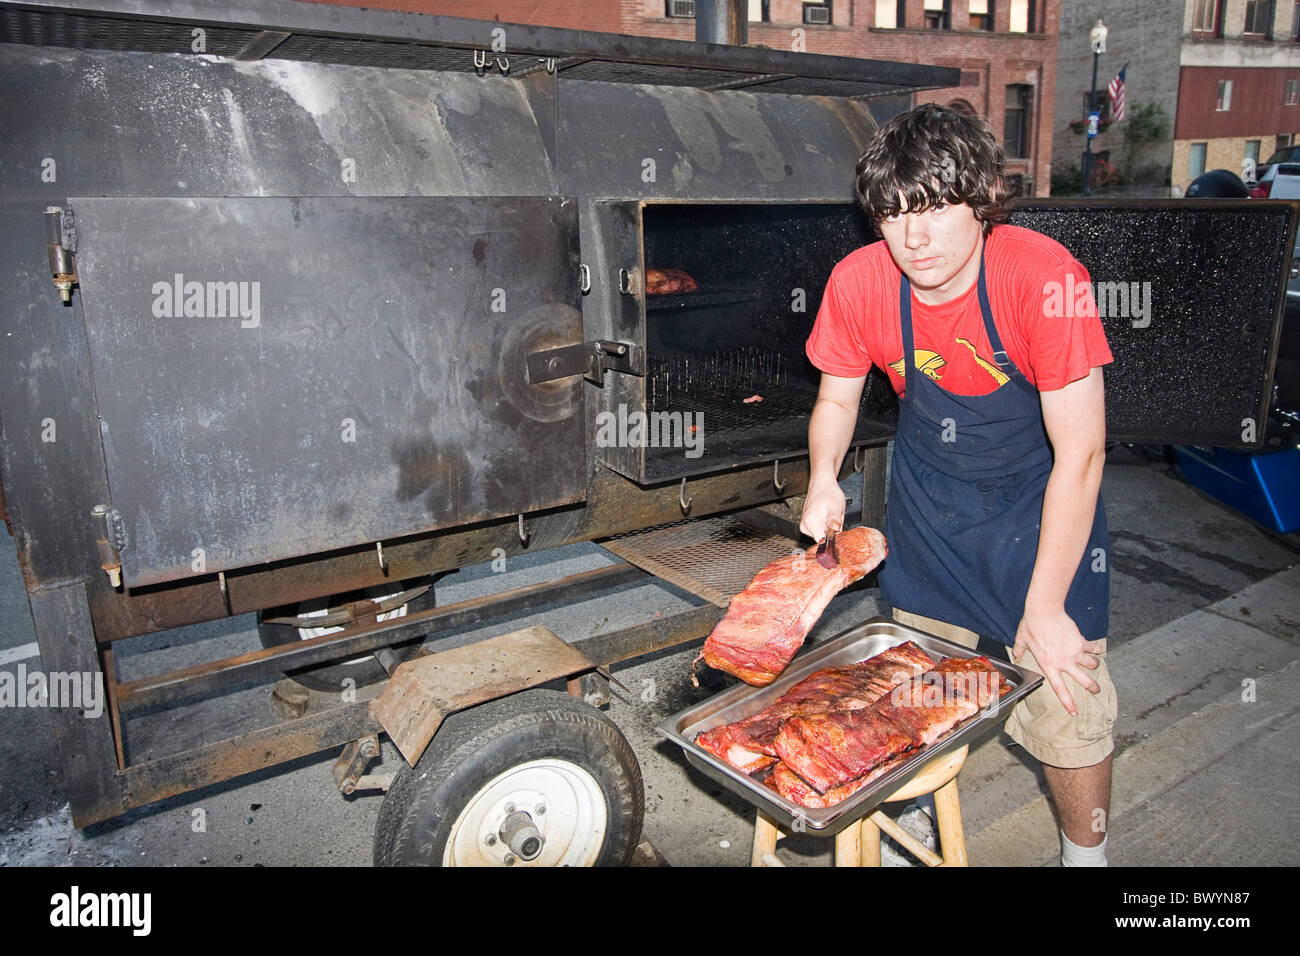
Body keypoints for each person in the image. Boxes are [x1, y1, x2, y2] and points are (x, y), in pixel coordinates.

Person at [800, 103, 1117, 867]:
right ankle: (926, 834)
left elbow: (1082, 454)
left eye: (936, 210)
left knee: (1070, 703)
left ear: (980, 201)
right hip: (931, 509)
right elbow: (837, 398)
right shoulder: (859, 282)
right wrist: (822, 480)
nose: (914, 239)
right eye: (893, 215)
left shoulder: (1045, 279)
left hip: (1039, 508)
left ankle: (1087, 857)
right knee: (917, 696)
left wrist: (1043, 607)